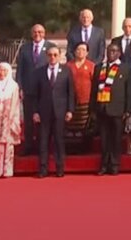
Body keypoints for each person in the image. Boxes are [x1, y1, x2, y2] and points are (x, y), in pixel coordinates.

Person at [32, 46, 73, 178]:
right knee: (43, 141)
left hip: (60, 112)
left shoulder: (66, 71)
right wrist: (35, 112)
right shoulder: (39, 72)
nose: (53, 57)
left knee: (59, 141)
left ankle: (60, 168)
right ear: (46, 56)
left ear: (60, 56)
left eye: (55, 55)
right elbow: (35, 94)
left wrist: (70, 110)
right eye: (50, 55)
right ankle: (43, 168)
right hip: (44, 112)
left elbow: (71, 92)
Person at [14, 24, 54, 156]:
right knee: (29, 119)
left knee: (44, 119)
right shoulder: (25, 48)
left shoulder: (50, 47)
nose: (37, 34)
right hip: (29, 90)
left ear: (44, 33)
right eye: (35, 32)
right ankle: (28, 146)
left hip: (45, 90)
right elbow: (20, 69)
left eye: (40, 32)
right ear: (31, 34)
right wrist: (19, 87)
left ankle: (42, 146)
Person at [91, 43, 129, 175]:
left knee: (116, 139)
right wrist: (93, 109)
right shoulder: (99, 68)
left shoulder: (124, 68)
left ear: (119, 53)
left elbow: (128, 91)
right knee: (104, 140)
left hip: (117, 109)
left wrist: (127, 110)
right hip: (102, 108)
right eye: (109, 51)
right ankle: (103, 165)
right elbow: (94, 90)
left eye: (114, 51)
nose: (111, 53)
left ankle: (114, 165)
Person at [66, 42, 95, 146]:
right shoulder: (68, 65)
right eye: (78, 49)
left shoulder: (91, 66)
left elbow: (95, 82)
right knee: (71, 125)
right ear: (74, 51)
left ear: (87, 52)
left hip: (86, 101)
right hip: (71, 101)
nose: (80, 52)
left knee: (84, 125)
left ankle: (84, 147)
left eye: (83, 49)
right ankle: (72, 146)